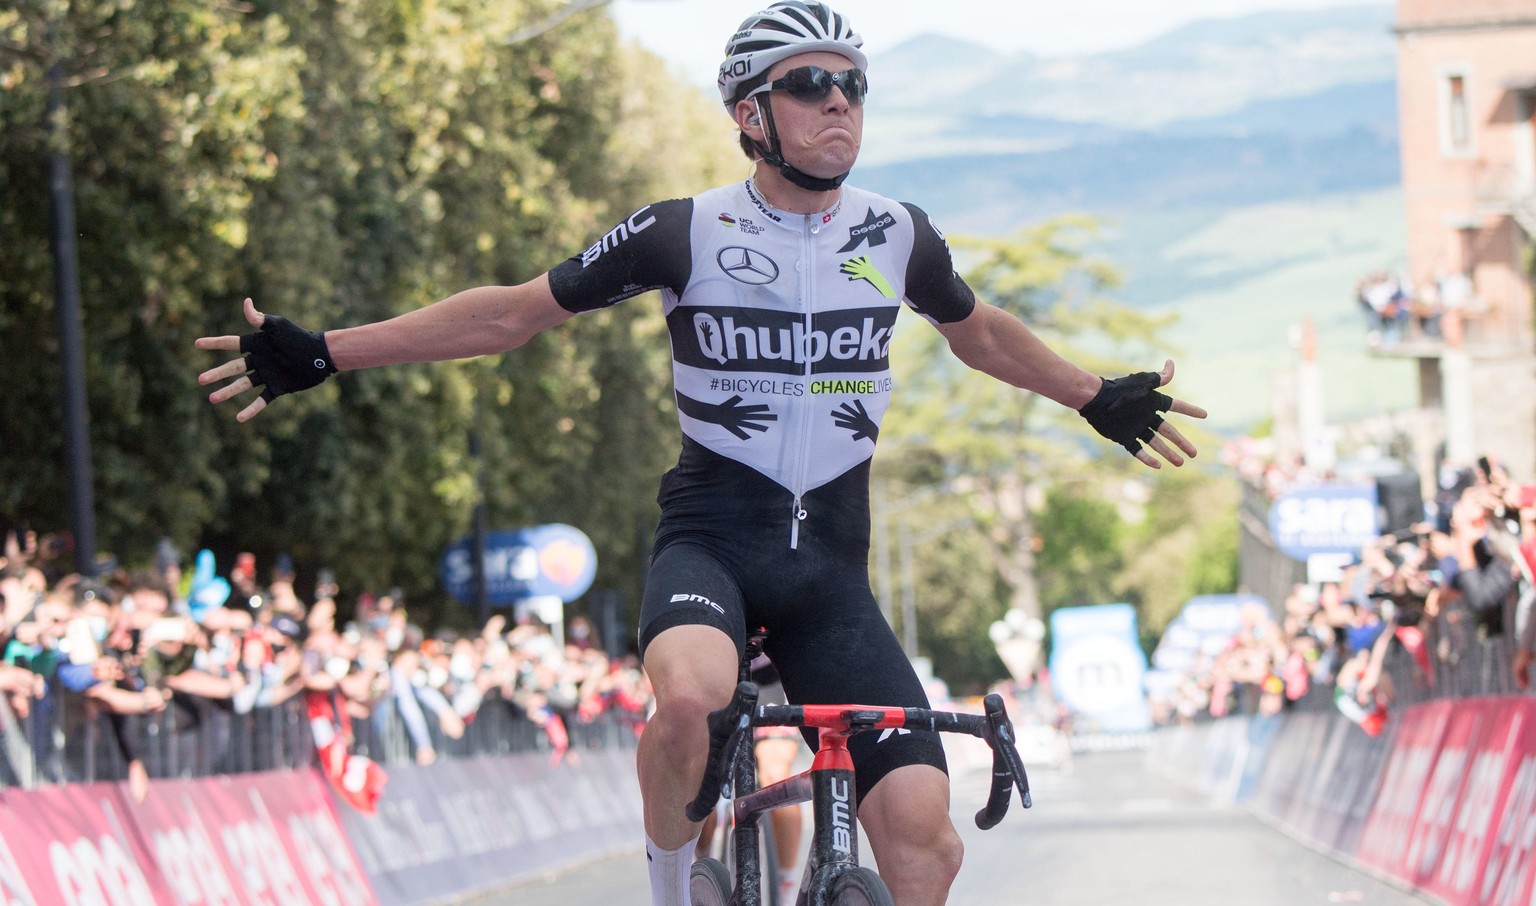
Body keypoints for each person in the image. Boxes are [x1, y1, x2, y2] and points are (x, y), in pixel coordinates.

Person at [195, 3, 1206, 902]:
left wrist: (1093, 397)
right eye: (809, 86)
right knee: (689, 701)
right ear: (751, 115)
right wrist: (327, 351)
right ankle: (673, 885)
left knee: (926, 845)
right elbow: (510, 316)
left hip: (832, 577)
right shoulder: (683, 232)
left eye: (854, 85)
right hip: (713, 544)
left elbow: (977, 331)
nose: (838, 104)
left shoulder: (900, 235)